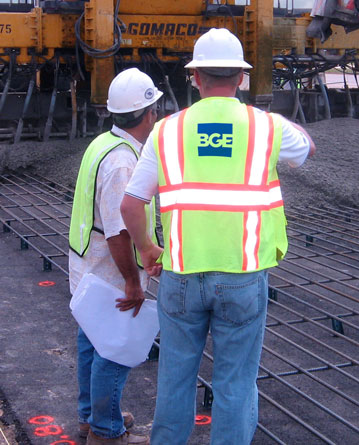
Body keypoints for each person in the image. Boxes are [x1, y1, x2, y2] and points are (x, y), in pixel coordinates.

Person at [120, 28, 316, 445]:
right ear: (242, 78)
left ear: (195, 77)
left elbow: (131, 205)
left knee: (174, 382)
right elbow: (307, 150)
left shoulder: (167, 130)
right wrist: (272, 120)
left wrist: (149, 249)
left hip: (181, 275)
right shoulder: (266, 127)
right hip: (243, 277)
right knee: (235, 385)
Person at [68, 67, 163, 445]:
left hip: (87, 265)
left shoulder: (102, 143)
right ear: (150, 114)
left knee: (90, 341)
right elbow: (118, 230)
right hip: (109, 271)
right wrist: (132, 281)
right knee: (114, 349)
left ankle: (91, 417)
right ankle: (107, 432)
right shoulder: (124, 162)